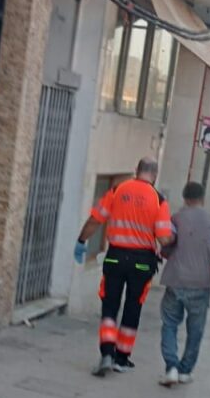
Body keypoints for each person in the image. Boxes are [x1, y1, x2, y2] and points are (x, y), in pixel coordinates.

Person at [74, 157, 174, 377]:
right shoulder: (159, 200)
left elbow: (95, 219)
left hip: (116, 257)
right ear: (155, 175)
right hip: (142, 262)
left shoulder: (117, 190)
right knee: (132, 307)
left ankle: (106, 354)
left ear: (136, 170)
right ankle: (121, 358)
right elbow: (164, 238)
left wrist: (81, 241)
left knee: (110, 307)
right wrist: (173, 244)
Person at [158, 182, 210, 387]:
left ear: (184, 198)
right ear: (202, 198)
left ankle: (171, 367)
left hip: (176, 279)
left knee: (169, 324)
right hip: (200, 283)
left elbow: (166, 243)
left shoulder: (175, 219)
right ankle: (185, 371)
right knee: (196, 330)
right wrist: (208, 271)